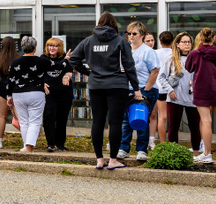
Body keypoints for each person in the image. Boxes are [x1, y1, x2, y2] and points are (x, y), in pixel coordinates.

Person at [69, 12, 139, 170]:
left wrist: (89, 73)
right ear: (114, 25)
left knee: (98, 122)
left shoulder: (88, 41)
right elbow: (129, 66)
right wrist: (136, 88)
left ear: (99, 24)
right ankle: (113, 160)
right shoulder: (120, 41)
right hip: (117, 86)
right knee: (115, 123)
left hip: (96, 86)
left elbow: (73, 59)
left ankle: (99, 159)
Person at [185, 27, 216, 164]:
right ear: (214, 38)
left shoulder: (194, 53)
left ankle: (207, 153)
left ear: (200, 37)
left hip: (201, 90)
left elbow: (189, 68)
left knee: (205, 121)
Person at [118, 22, 160, 161]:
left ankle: (141, 150)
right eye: (128, 33)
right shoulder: (125, 49)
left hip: (144, 89)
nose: (131, 36)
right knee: (125, 120)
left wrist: (146, 90)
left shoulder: (148, 51)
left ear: (142, 35)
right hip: (128, 89)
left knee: (141, 120)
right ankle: (124, 148)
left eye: (134, 33)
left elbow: (155, 71)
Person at [6, 36, 51, 153]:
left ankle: (25, 146)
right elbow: (55, 68)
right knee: (35, 121)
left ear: (22, 47)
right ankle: (29, 147)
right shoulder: (43, 61)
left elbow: (10, 80)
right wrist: (66, 59)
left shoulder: (15, 62)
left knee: (24, 121)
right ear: (35, 48)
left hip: (18, 94)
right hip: (37, 93)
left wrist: (9, 96)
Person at [164, 32, 202, 155]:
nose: (187, 44)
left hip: (192, 98)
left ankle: (196, 152)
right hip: (175, 97)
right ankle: (173, 153)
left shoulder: (196, 58)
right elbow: (161, 77)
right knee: (173, 127)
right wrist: (170, 90)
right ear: (178, 44)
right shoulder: (171, 59)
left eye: (189, 42)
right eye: (184, 42)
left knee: (195, 127)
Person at [41, 37, 74, 152]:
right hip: (49, 93)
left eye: (55, 46)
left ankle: (60, 144)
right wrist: (43, 83)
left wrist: (67, 76)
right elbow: (38, 73)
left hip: (64, 93)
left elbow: (69, 71)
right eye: (50, 45)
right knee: (49, 117)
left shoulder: (64, 58)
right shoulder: (43, 58)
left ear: (59, 48)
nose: (52, 48)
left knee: (61, 119)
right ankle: (50, 144)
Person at [0, 36, 18, 149]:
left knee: (2, 116)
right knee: (20, 116)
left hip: (3, 90)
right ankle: (27, 142)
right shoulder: (18, 59)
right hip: (16, 90)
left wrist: (0, 91)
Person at [152, 31, 175, 150]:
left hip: (159, 87)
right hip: (173, 89)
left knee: (162, 116)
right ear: (173, 42)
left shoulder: (154, 53)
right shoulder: (175, 53)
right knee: (173, 117)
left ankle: (162, 142)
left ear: (160, 42)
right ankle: (172, 142)